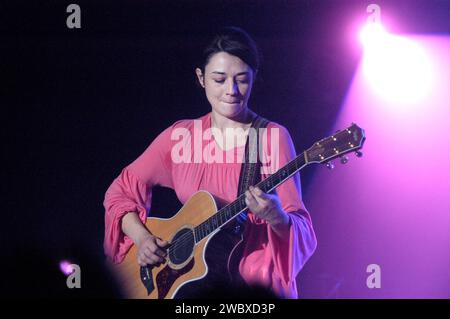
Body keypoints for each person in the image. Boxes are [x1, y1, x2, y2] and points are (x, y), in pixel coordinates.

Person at [103, 26, 317, 298]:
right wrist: (143, 238)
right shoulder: (180, 137)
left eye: (242, 79)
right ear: (201, 78)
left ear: (254, 79)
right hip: (190, 290)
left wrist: (278, 217)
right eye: (219, 79)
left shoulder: (271, 137)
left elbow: (300, 227)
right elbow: (121, 190)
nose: (232, 90)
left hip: (250, 286)